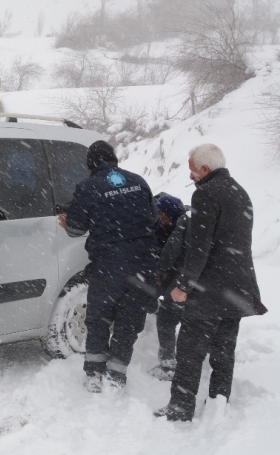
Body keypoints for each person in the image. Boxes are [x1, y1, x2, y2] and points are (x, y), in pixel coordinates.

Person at [154, 144, 268, 422]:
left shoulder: (205, 194)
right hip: (238, 287)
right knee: (223, 350)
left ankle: (180, 408)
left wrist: (182, 286)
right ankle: (219, 402)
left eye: (192, 169)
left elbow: (199, 248)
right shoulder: (240, 192)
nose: (191, 174)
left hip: (210, 289)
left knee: (190, 351)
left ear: (205, 169)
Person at [59, 140, 157, 392]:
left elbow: (76, 229)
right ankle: (116, 376)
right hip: (142, 263)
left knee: (99, 319)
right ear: (114, 158)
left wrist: (66, 221)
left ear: (90, 163)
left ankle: (93, 374)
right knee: (128, 322)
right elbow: (152, 217)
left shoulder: (88, 187)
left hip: (109, 264)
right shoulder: (139, 181)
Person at [149, 193, 189, 381]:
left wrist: (159, 272)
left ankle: (169, 366)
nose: (159, 218)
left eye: (162, 215)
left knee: (167, 318)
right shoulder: (167, 225)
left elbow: (171, 251)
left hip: (185, 278)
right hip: (186, 276)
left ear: (170, 214)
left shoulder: (183, 225)